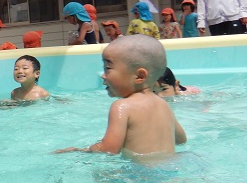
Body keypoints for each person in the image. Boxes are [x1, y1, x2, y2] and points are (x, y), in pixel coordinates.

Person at [55, 35, 186, 158]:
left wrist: (81, 150)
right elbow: (181, 140)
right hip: (168, 170)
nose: (103, 75)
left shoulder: (122, 107)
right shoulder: (163, 105)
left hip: (140, 176)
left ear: (139, 76)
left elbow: (109, 149)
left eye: (108, 68)